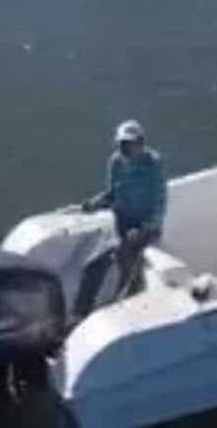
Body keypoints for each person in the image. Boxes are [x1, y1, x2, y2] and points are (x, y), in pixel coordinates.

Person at [73, 120, 167, 317]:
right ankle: (79, 313)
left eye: (128, 143)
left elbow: (160, 205)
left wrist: (143, 228)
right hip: (121, 226)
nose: (123, 148)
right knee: (92, 266)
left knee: (127, 263)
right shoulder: (115, 162)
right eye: (121, 143)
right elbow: (112, 194)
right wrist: (93, 204)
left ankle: (123, 309)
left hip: (145, 229)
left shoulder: (154, 164)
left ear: (141, 142)